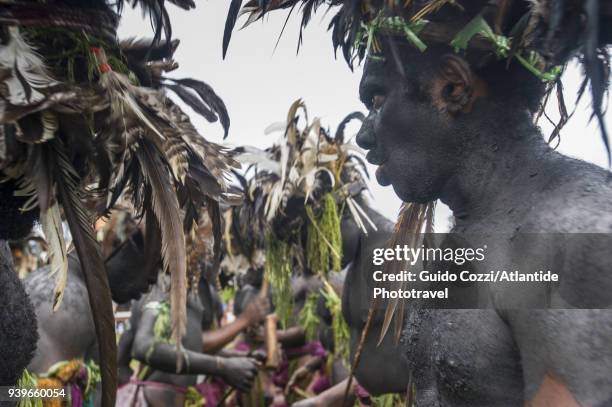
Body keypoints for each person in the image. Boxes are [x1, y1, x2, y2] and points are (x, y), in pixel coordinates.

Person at [223, 1, 612, 405]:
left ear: (452, 87)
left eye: (376, 99)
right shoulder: (465, 241)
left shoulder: (571, 231)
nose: (365, 135)